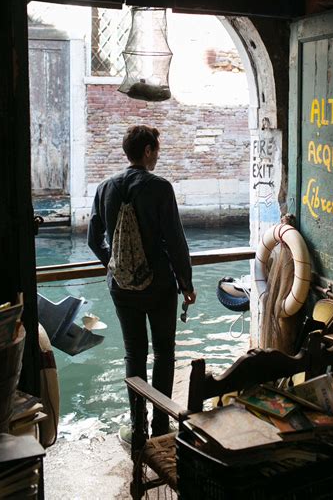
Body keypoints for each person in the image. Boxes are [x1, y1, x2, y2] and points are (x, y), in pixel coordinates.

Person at [87, 125, 196, 444]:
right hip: (160, 286)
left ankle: (137, 430)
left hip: (121, 289)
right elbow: (175, 240)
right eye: (157, 149)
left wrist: (116, 263)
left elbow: (94, 240)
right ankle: (161, 428)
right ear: (147, 150)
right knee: (164, 353)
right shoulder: (160, 187)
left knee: (134, 354)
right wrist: (186, 282)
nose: (158, 155)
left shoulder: (105, 187)